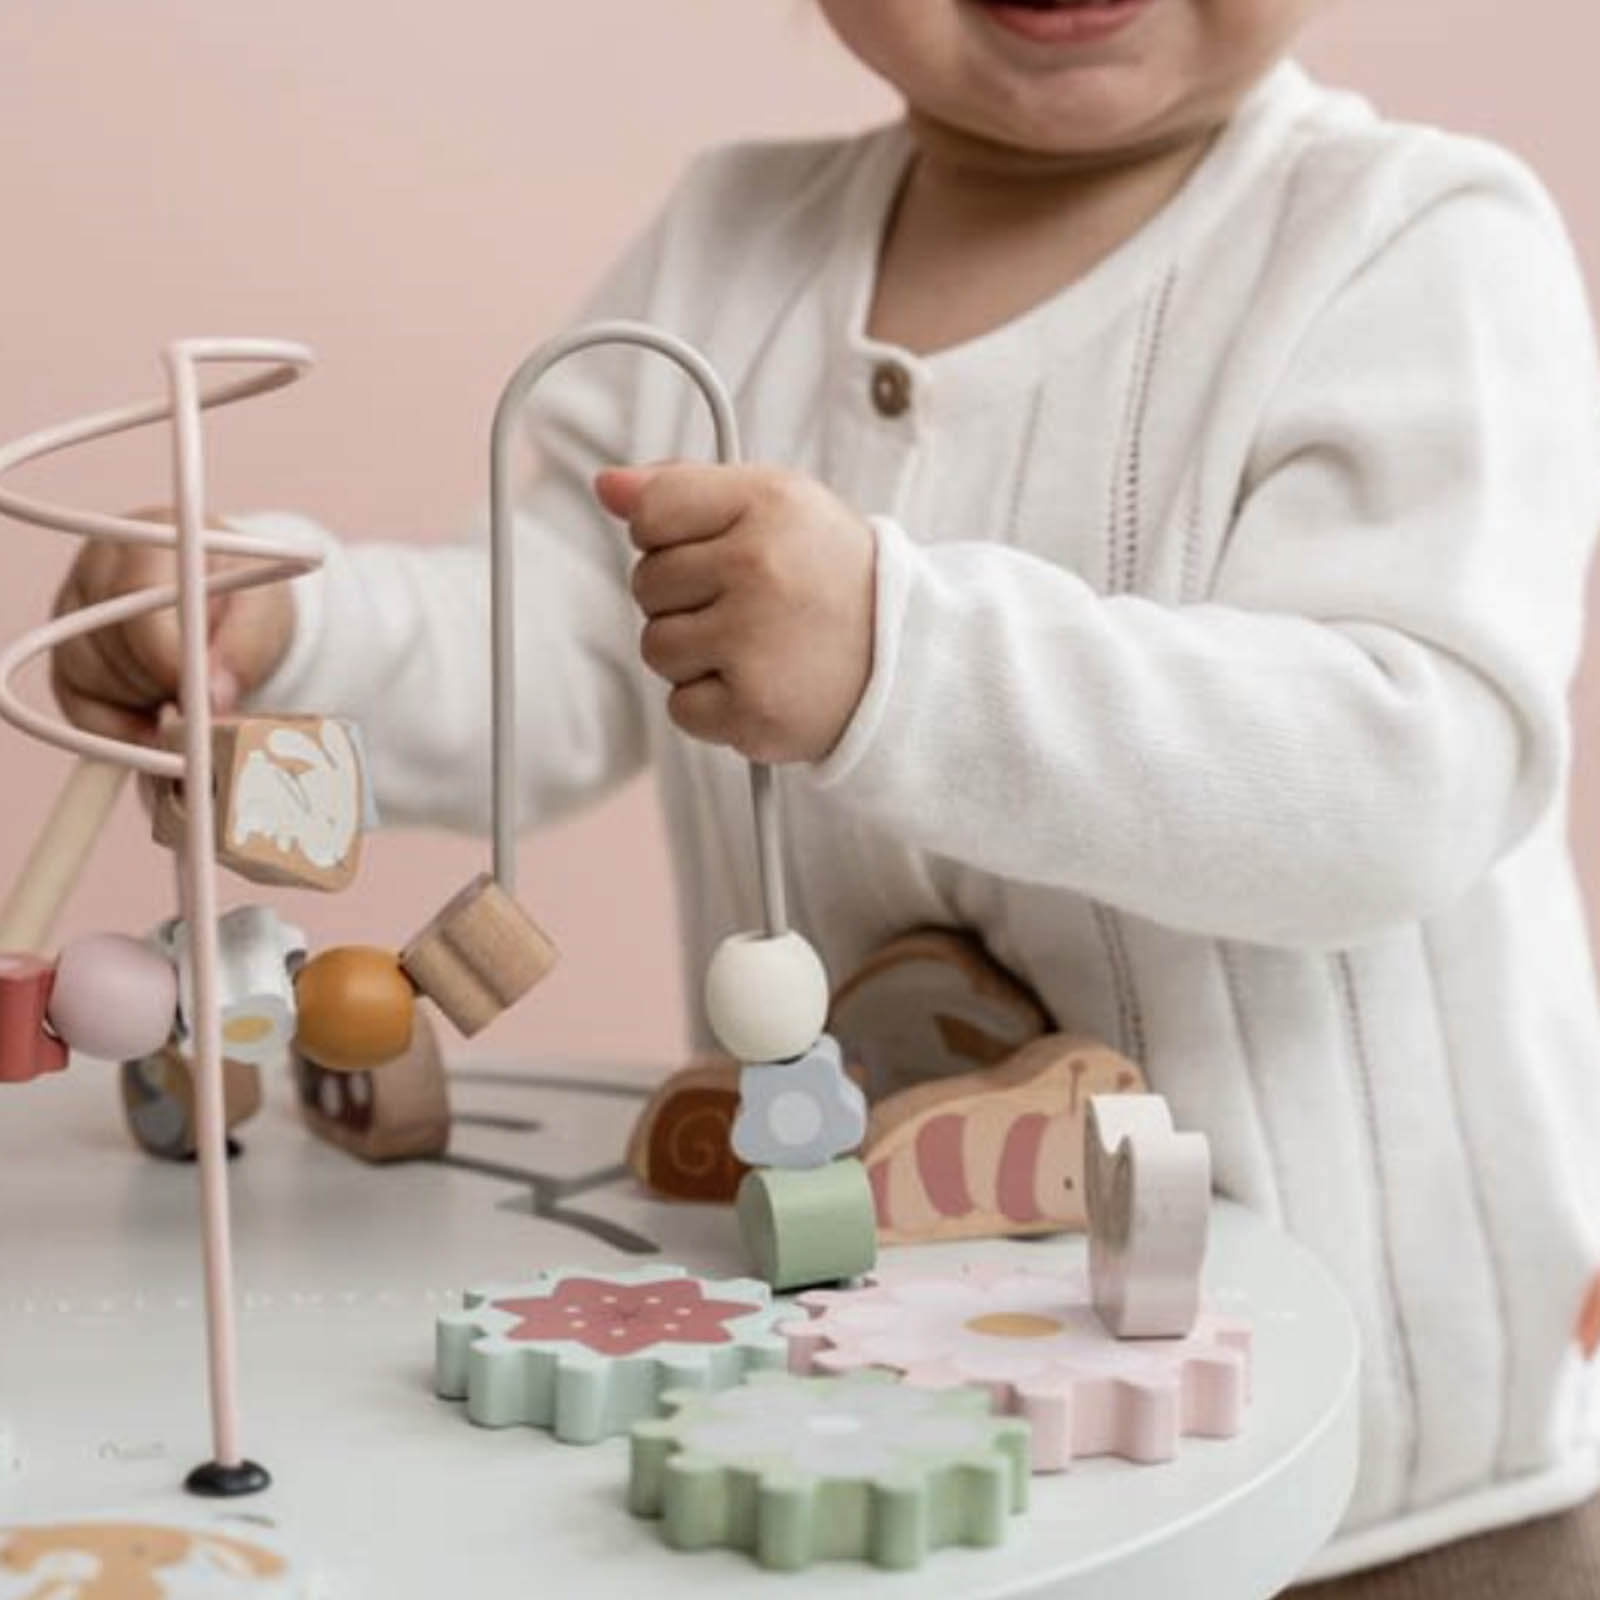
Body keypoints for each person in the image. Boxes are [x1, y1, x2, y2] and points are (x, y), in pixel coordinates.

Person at [48, 2, 1600, 1590]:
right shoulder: (726, 255)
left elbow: (1399, 779)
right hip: (878, 1454)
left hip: (1383, 1493)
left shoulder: (1412, 244)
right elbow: (550, 652)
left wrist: (896, 659)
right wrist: (286, 631)